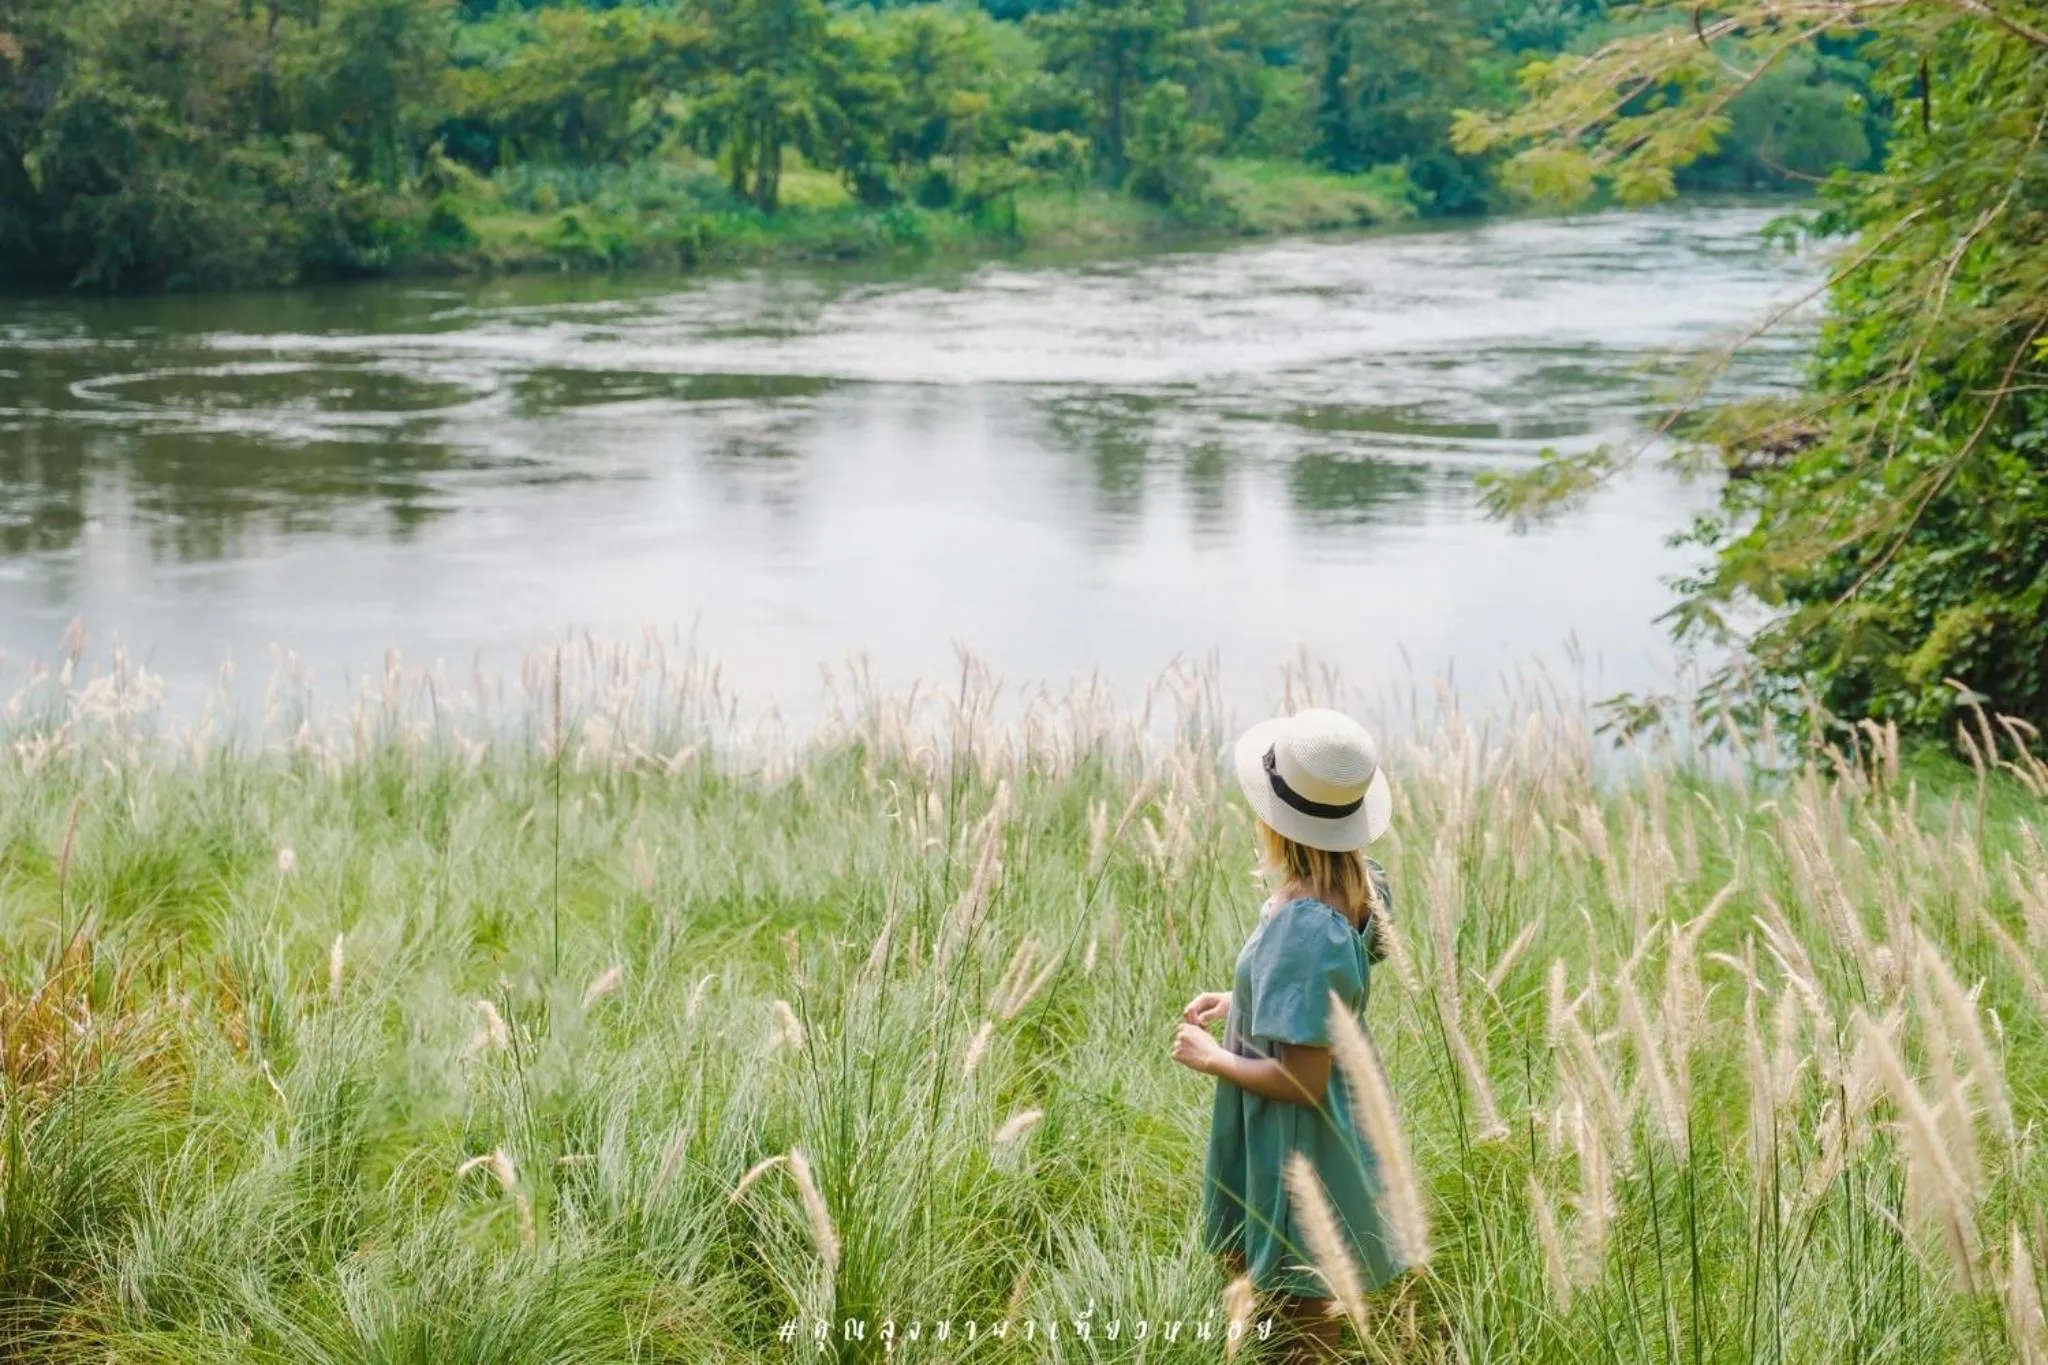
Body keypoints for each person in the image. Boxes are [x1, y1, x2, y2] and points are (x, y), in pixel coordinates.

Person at [1170, 706, 1406, 1362]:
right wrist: (1240, 998)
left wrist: (1214, 1057)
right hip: (1323, 1122)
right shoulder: (1356, 886)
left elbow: (1303, 1079)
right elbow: (1318, 994)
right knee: (1289, 1299)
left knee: (1297, 1312)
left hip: (1297, 1141)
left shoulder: (1305, 924)